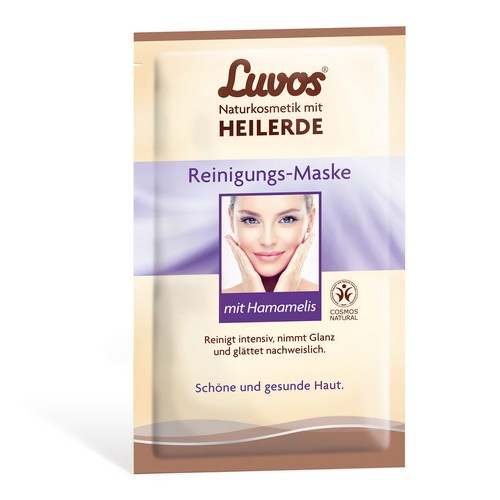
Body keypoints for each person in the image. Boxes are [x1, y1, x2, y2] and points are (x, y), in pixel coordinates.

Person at [223, 194, 318, 293]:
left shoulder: (326, 298)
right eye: (251, 220)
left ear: (310, 219)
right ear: (231, 220)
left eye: (287, 219)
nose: (267, 241)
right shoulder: (215, 300)